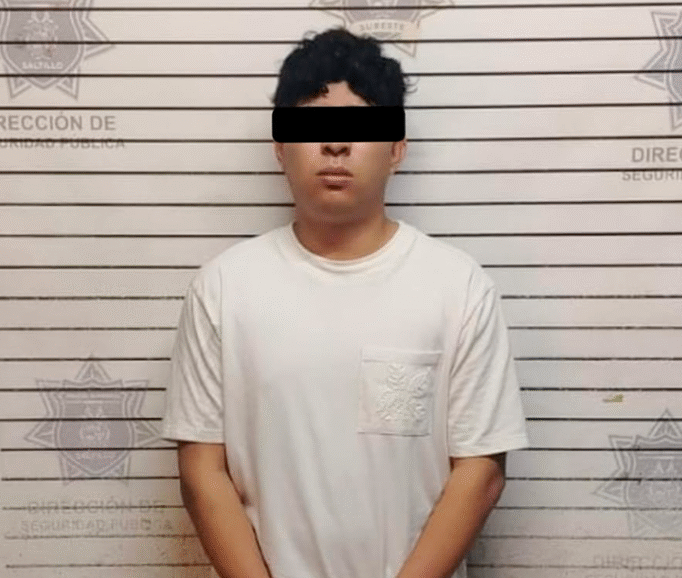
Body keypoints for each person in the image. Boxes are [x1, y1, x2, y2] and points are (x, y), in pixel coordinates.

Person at [162, 26, 530, 578]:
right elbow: (201, 471)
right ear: (280, 146)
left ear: (397, 147)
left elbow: (481, 473)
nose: (335, 145)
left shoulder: (458, 287)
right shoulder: (222, 288)